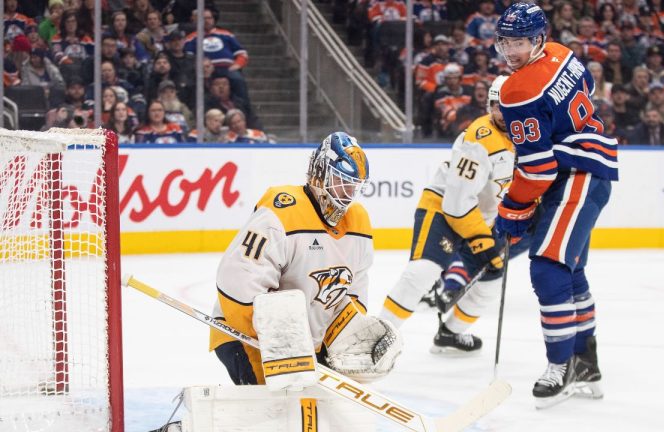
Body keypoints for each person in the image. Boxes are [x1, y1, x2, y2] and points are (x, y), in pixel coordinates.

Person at [493, 3, 618, 408]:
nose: (511, 51)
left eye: (521, 41)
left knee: (547, 267)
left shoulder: (516, 90)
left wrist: (512, 208)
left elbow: (538, 168)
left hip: (575, 175)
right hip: (593, 170)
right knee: (570, 270)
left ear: (538, 38)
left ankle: (560, 366)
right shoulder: (563, 52)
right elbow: (588, 95)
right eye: (505, 42)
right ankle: (586, 365)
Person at [211, 132, 401, 386]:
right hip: (244, 331)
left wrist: (347, 336)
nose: (347, 193)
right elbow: (238, 280)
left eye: (354, 185)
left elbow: (353, 291)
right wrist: (278, 344)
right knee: (273, 414)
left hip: (305, 343)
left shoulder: (359, 222)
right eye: (341, 181)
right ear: (320, 172)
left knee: (314, 413)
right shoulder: (282, 211)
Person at [379, 76, 530, 355]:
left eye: (512, 105)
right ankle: (375, 337)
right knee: (423, 272)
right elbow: (457, 202)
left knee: (493, 280)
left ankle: (450, 334)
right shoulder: (479, 140)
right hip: (444, 210)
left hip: (483, 220)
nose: (504, 112)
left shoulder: (528, 137)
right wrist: (481, 240)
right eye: (498, 105)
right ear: (489, 106)